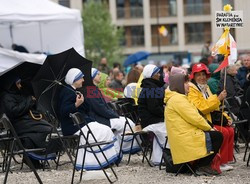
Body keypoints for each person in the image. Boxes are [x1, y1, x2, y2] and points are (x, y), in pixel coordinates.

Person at [57, 68, 119, 170]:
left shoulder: (73, 91)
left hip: (80, 123)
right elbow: (63, 111)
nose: (83, 80)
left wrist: (82, 101)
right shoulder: (67, 92)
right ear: (74, 79)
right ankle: (93, 162)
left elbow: (85, 109)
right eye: (81, 78)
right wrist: (76, 104)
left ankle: (103, 160)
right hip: (72, 126)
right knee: (103, 130)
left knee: (105, 130)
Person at [165, 74, 223, 175]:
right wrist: (210, 128)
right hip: (185, 138)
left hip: (184, 135)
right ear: (179, 85)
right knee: (217, 136)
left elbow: (195, 116)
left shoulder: (177, 98)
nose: (189, 85)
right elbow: (195, 118)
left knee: (215, 135)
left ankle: (200, 166)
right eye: (186, 83)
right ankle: (201, 166)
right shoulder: (178, 100)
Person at [188, 63, 234, 172]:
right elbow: (201, 108)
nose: (202, 77)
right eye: (198, 75)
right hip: (202, 121)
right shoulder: (192, 89)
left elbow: (214, 107)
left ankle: (224, 160)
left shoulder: (206, 87)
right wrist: (218, 98)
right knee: (223, 131)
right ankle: (217, 161)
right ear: (193, 77)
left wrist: (226, 116)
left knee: (230, 130)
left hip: (210, 118)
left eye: (203, 74)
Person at [85, 68, 140, 154]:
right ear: (92, 77)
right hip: (100, 119)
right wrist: (114, 115)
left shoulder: (93, 89)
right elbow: (100, 109)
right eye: (98, 74)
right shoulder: (91, 90)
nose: (100, 76)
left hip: (103, 117)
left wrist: (114, 115)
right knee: (128, 123)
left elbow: (103, 107)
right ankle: (127, 148)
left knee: (127, 122)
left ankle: (123, 148)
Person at [2, 77, 52, 168]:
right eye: (18, 84)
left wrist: (32, 100)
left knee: (31, 138)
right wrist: (29, 100)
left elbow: (27, 106)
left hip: (26, 122)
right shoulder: (6, 96)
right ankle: (40, 153)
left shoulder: (19, 93)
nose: (20, 86)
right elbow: (14, 111)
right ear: (11, 85)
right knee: (48, 129)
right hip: (19, 124)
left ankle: (32, 158)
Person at [137, 64, 168, 165]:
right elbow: (153, 108)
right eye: (157, 73)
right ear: (151, 75)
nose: (159, 75)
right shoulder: (151, 88)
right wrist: (166, 114)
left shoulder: (150, 85)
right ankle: (163, 158)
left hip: (151, 118)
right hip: (150, 120)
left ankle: (158, 158)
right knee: (168, 128)